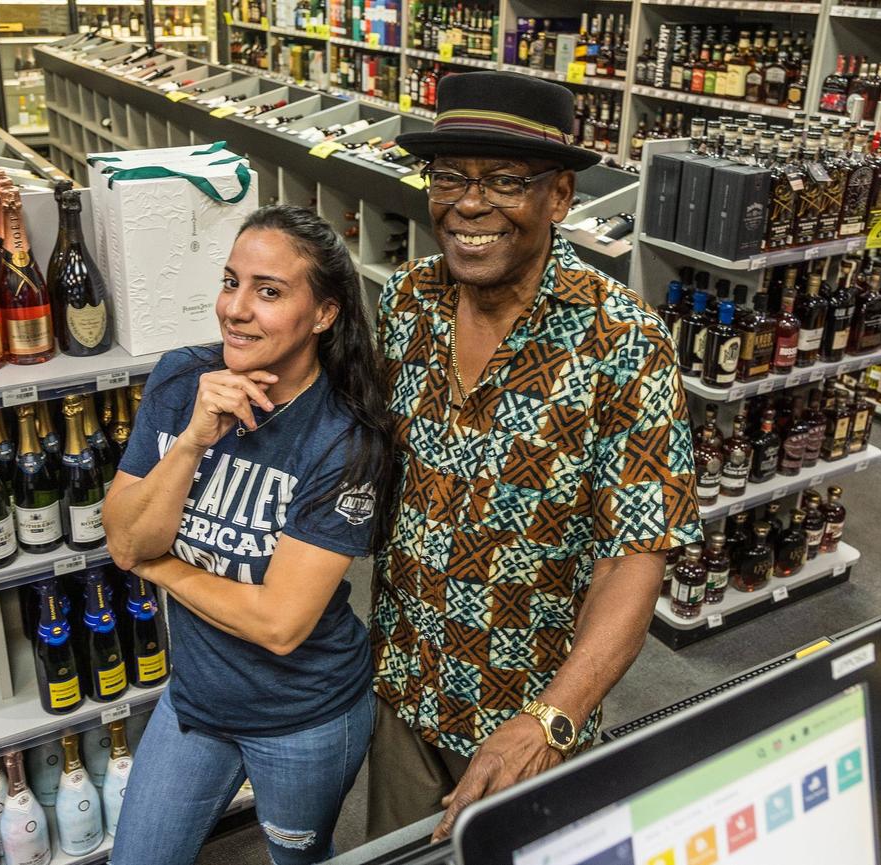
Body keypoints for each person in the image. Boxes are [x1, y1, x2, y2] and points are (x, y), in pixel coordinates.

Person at [366, 71, 703, 841]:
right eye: (449, 176)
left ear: (559, 197)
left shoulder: (623, 343)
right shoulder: (408, 300)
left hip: (526, 721)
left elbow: (636, 556)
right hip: (403, 689)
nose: (469, 204)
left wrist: (553, 718)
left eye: (505, 181)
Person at [103, 205, 393, 865]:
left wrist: (163, 567)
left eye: (268, 291)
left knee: (296, 858)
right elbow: (123, 538)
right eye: (230, 281)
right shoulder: (182, 382)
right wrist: (194, 441)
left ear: (324, 314)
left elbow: (281, 623)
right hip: (195, 699)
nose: (236, 308)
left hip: (305, 716)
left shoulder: (345, 440)